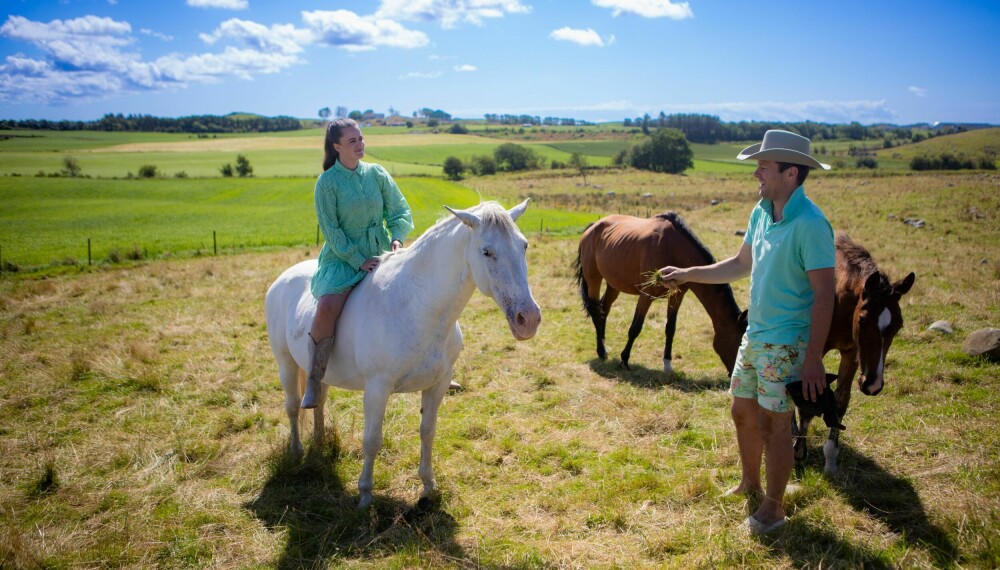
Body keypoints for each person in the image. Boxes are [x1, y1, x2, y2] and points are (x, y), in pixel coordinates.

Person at [657, 130, 835, 534]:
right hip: (754, 337)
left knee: (775, 424)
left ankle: (773, 509)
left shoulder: (811, 225)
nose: (756, 173)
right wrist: (687, 274)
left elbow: (825, 296)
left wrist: (813, 359)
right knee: (741, 411)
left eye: (764, 167)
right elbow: (739, 265)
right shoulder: (761, 212)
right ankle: (750, 483)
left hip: (788, 344)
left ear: (791, 173)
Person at [301, 118, 414, 409]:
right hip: (343, 259)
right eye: (352, 141)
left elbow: (399, 209)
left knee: (418, 294)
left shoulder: (376, 173)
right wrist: (357, 260)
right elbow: (331, 230)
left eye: (361, 138)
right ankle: (315, 377)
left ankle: (431, 368)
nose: (360, 144)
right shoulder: (327, 183)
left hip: (381, 253)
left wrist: (397, 238)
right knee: (327, 307)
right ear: (336, 146)